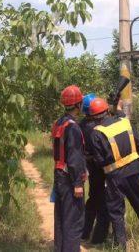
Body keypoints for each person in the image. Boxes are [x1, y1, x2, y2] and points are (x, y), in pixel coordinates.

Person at [89, 98, 139, 250]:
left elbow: (99, 161)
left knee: (116, 212)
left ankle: (121, 246)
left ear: (93, 117)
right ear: (107, 111)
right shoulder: (125, 122)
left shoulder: (96, 134)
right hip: (134, 171)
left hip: (114, 177)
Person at [52, 85, 87, 252]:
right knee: (74, 219)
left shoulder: (59, 122)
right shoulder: (72, 127)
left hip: (59, 174)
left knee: (61, 216)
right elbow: (74, 158)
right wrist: (78, 183)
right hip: (69, 178)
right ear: (79, 104)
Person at [79, 93, 110, 244]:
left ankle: (84, 232)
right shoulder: (97, 127)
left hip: (90, 166)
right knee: (104, 200)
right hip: (101, 166)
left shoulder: (80, 125)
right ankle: (99, 238)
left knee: (93, 199)